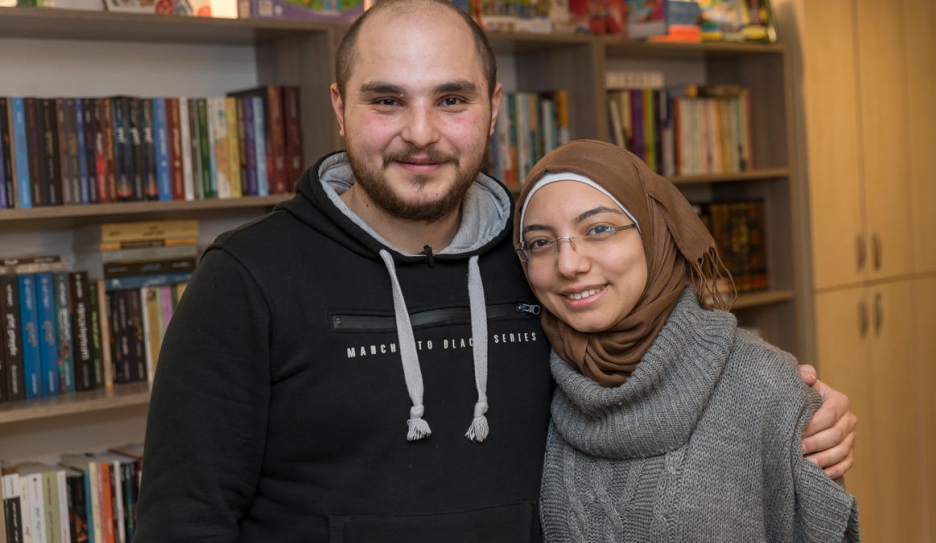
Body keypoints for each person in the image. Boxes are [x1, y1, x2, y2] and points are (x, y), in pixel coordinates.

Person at [132, 1, 855, 541]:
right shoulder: (244, 280)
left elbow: (668, 357)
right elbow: (182, 517)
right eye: (387, 99)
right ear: (340, 110)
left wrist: (793, 408)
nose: (421, 132)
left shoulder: (540, 253)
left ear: (493, 109)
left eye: (451, 99)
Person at [513, 139, 861, 542]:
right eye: (540, 242)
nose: (569, 264)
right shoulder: (527, 379)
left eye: (600, 229)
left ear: (654, 235)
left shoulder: (765, 385)